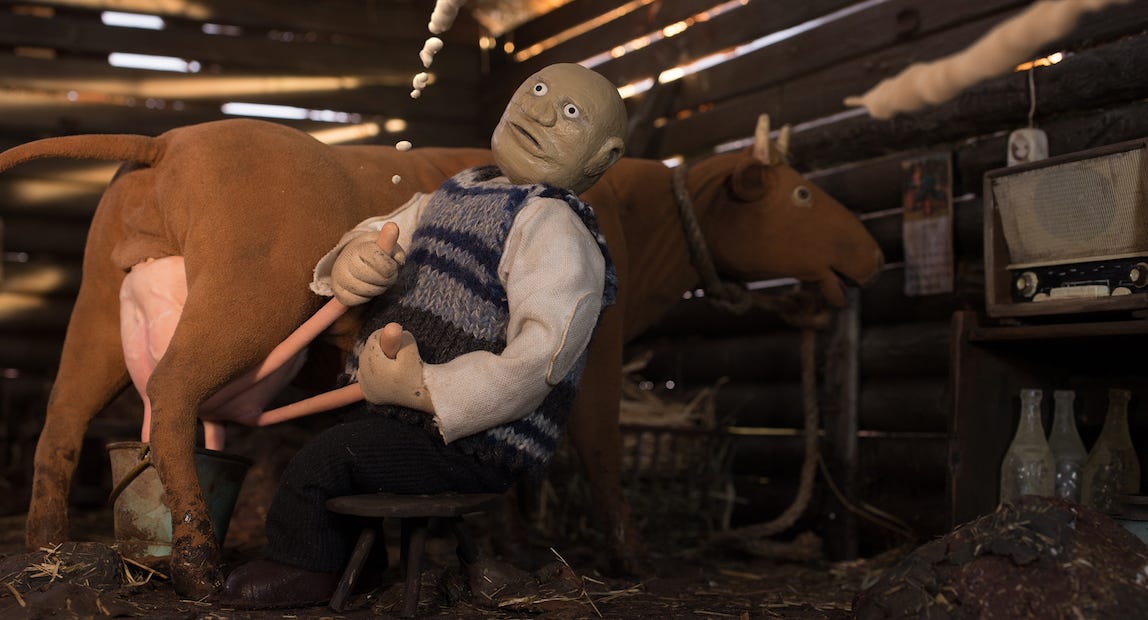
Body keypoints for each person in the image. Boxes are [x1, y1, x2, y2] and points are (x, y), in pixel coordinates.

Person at [221, 63, 627, 609]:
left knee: (325, 461)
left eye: (571, 113)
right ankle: (357, 568)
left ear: (602, 158)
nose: (543, 110)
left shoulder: (554, 228)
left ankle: (307, 568)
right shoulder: (459, 191)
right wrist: (357, 259)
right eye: (537, 90)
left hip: (475, 439)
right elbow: (380, 229)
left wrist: (427, 389)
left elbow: (541, 358)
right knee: (336, 453)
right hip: (396, 411)